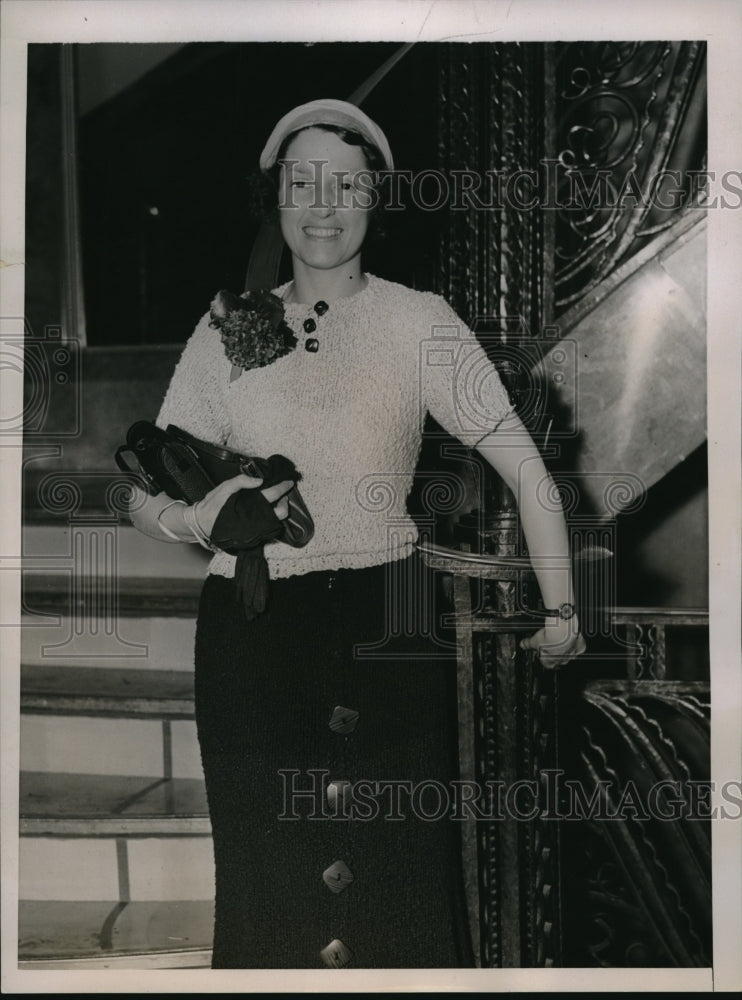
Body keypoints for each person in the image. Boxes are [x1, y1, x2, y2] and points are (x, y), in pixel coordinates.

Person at [129, 98, 585, 969]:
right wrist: (194, 517)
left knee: (393, 891)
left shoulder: (421, 323)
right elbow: (141, 493)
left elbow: (529, 470)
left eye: (346, 183)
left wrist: (562, 610)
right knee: (270, 892)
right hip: (252, 638)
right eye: (302, 182)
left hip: (388, 625)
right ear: (278, 197)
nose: (322, 203)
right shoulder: (228, 326)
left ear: (377, 197)